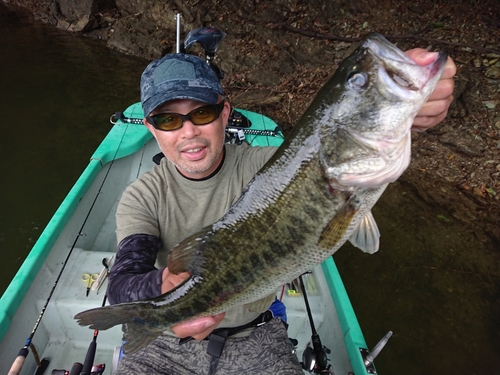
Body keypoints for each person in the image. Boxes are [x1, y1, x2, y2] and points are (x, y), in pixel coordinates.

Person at [107, 50, 456, 374]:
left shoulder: (274, 165)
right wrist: (164, 291)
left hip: (256, 336)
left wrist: (400, 112)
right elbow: (122, 284)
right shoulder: (142, 196)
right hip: (164, 344)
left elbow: (322, 143)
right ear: (151, 128)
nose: (189, 132)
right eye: (168, 120)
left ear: (225, 113)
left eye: (202, 113)